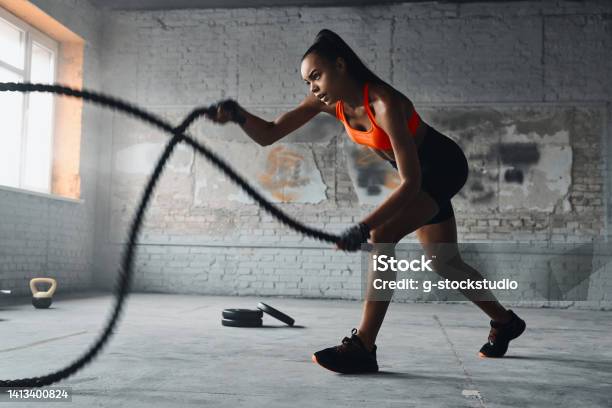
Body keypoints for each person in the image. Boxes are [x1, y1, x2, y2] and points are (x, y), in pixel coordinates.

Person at [204, 28, 526, 374]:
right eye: (307, 82)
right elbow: (268, 134)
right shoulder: (328, 102)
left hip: (443, 166)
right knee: (444, 263)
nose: (312, 88)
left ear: (340, 66)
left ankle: (363, 346)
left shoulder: (384, 104)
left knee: (382, 234)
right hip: (421, 175)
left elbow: (411, 181)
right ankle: (506, 322)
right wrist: (239, 116)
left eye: (316, 76)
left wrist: (364, 227)